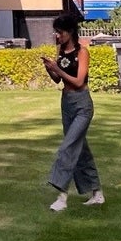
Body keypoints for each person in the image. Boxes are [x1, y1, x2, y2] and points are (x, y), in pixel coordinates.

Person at [43, 11, 104, 211]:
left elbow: (78, 81)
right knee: (81, 150)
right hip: (66, 103)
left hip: (82, 105)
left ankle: (61, 197)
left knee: (67, 148)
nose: (57, 36)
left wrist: (57, 69)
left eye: (60, 32)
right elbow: (58, 80)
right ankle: (97, 193)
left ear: (70, 32)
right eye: (56, 32)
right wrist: (50, 69)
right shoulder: (61, 51)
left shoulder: (82, 52)